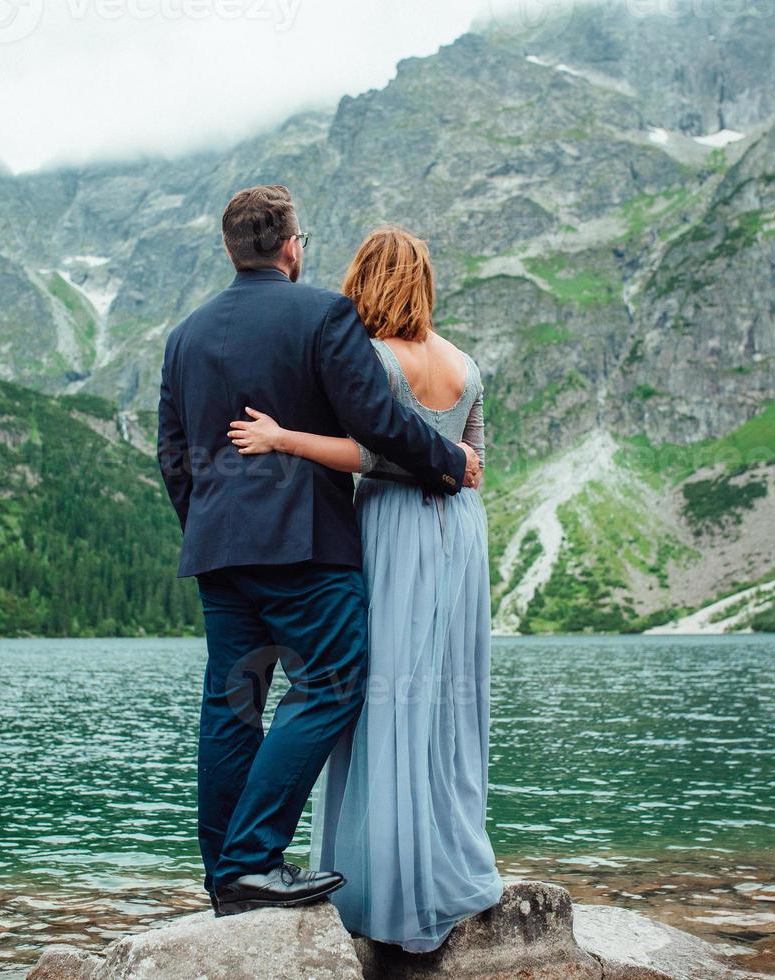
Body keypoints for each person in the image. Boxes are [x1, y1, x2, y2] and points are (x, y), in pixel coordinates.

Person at [156, 186, 481, 918]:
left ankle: (225, 879)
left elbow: (171, 456)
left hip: (220, 552)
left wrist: (208, 526)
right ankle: (252, 862)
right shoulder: (322, 314)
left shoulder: (185, 335)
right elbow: (378, 421)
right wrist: (449, 461)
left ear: (232, 247)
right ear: (293, 246)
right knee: (331, 684)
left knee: (233, 702)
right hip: (307, 549)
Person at [228, 226, 502, 951]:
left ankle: (377, 884)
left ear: (366, 281)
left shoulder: (371, 358)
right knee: (446, 695)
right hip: (461, 533)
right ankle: (449, 859)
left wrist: (284, 438)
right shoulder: (465, 363)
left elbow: (371, 453)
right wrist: (448, 464)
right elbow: (474, 462)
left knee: (384, 696)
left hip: (392, 530)